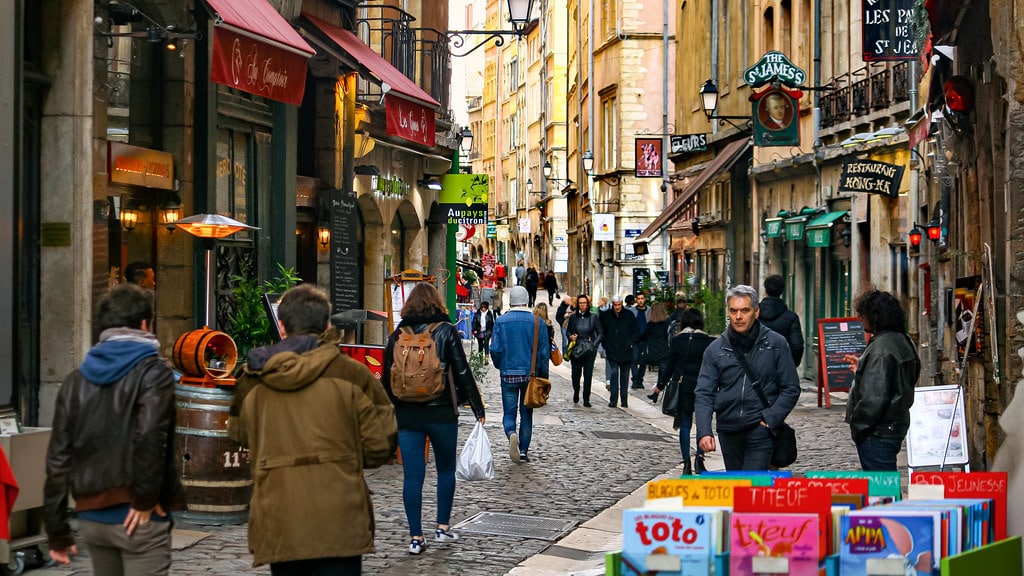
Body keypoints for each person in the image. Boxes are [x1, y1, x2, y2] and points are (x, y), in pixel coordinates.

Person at [230, 284, 398, 574]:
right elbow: (381, 443)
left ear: (282, 327)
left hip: (280, 513)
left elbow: (239, 435)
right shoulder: (352, 374)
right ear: (326, 326)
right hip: (339, 514)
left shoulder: (253, 378)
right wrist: (343, 461)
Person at [44, 283, 180, 574]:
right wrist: (144, 499)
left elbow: (58, 460)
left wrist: (56, 529)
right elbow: (149, 437)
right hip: (138, 516)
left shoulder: (75, 381)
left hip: (92, 517)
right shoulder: (154, 373)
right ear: (145, 324)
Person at [382, 283, 486, 555]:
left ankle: (416, 537)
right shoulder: (446, 331)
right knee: (445, 470)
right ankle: (441, 527)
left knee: (412, 478)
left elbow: (386, 377)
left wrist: (388, 411)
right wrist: (477, 407)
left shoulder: (397, 335)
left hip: (407, 415)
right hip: (441, 413)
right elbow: (462, 371)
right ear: (437, 303)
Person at [694, 285, 801, 471]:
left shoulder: (775, 344)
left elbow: (791, 388)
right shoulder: (715, 349)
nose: (738, 316)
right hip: (728, 429)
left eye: (745, 310)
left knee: (752, 487)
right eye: (733, 311)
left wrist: (769, 420)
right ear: (728, 312)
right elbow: (704, 393)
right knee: (738, 490)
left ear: (756, 312)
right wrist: (704, 432)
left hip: (759, 429)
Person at [844, 289, 921, 471]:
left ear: (874, 316)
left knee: (882, 488)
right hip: (894, 426)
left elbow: (874, 399)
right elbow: (897, 379)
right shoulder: (903, 340)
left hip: (878, 431)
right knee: (885, 485)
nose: (859, 319)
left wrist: (858, 426)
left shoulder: (881, 348)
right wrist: (863, 368)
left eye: (861, 314)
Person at [490, 287, 550, 463]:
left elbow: (494, 349)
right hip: (530, 375)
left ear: (511, 301)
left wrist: (500, 365)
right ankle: (523, 450)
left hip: (508, 374)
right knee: (526, 414)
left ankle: (511, 433)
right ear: (526, 301)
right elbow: (543, 353)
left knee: (509, 413)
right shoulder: (538, 322)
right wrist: (543, 377)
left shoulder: (501, 321)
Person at [658, 308, 716, 475]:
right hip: (702, 386)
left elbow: (670, 366)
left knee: (685, 425)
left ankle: (686, 463)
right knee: (702, 424)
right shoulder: (707, 341)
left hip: (683, 386)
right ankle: (699, 458)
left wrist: (660, 384)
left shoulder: (678, 341)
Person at [599, 295, 638, 408]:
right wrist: (606, 345)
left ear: (621, 304)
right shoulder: (606, 316)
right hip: (612, 350)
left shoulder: (629, 315)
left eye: (619, 305)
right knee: (614, 374)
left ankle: (624, 399)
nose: (617, 307)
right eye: (615, 305)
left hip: (626, 350)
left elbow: (635, 331)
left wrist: (631, 343)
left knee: (625, 376)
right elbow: (602, 332)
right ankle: (613, 399)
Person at [566, 293, 603, 407]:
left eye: (584, 303)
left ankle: (586, 398)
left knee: (588, 375)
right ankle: (576, 391)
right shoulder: (573, 317)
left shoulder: (593, 317)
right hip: (576, 348)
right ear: (577, 304)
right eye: (580, 303)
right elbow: (568, 330)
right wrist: (571, 337)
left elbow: (600, 333)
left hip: (589, 349)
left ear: (588, 304)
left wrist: (594, 345)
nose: (582, 305)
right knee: (575, 375)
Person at [759, 274, 804, 367]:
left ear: (765, 291)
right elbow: (797, 346)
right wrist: (791, 364)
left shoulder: (754, 315)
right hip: (782, 365)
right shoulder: (791, 317)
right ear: (781, 291)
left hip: (758, 365)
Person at [638, 302, 672, 394]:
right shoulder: (668, 322)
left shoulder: (651, 324)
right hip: (664, 349)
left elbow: (644, 335)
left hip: (654, 349)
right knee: (663, 368)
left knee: (643, 363)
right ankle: (660, 385)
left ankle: (655, 386)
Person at [629, 292, 650, 389]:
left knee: (643, 361)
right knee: (633, 360)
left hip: (646, 339)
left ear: (645, 299)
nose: (640, 300)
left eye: (642, 298)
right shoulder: (632, 311)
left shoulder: (649, 310)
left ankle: (640, 379)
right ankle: (635, 379)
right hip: (635, 339)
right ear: (636, 300)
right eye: (638, 298)